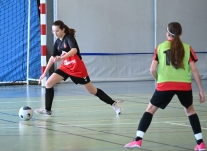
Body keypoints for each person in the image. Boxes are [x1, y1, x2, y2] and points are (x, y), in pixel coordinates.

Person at [124, 22, 205, 150]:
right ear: (181, 33)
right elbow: (194, 70)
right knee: (190, 111)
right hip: (184, 85)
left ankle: (138, 140)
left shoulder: (160, 47)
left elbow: (152, 69)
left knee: (150, 110)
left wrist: (158, 80)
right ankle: (200, 143)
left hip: (165, 85)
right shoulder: (187, 48)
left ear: (167, 33)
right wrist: (201, 90)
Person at [34, 20, 122, 116]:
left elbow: (74, 50)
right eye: (53, 31)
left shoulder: (68, 38)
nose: (55, 33)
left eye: (57, 31)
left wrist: (61, 58)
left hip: (77, 68)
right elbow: (52, 58)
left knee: (92, 90)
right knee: (48, 83)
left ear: (63, 29)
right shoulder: (57, 42)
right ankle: (47, 110)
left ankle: (113, 103)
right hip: (66, 67)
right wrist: (44, 73)